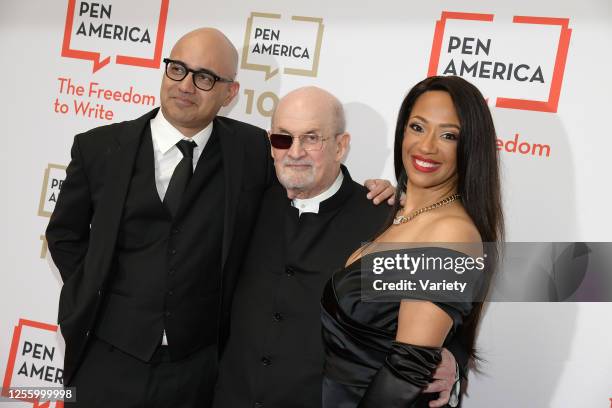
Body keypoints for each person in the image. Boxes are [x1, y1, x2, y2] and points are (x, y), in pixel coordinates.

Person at [46, 29, 393, 407]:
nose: (186, 85)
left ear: (230, 93)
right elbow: (64, 235)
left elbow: (310, 176)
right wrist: (99, 291)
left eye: (206, 77)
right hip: (105, 359)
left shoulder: (251, 150)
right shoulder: (98, 148)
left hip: (197, 373)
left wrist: (388, 196)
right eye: (177, 69)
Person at [213, 86, 466, 408]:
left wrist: (452, 363)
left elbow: (443, 316)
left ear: (341, 146)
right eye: (283, 138)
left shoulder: (386, 222)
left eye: (312, 138)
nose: (295, 152)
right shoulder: (244, 202)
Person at [320, 76, 504, 407]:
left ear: (469, 147)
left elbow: (407, 370)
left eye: (448, 135)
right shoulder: (394, 214)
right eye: (418, 127)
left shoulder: (451, 233)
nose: (427, 146)